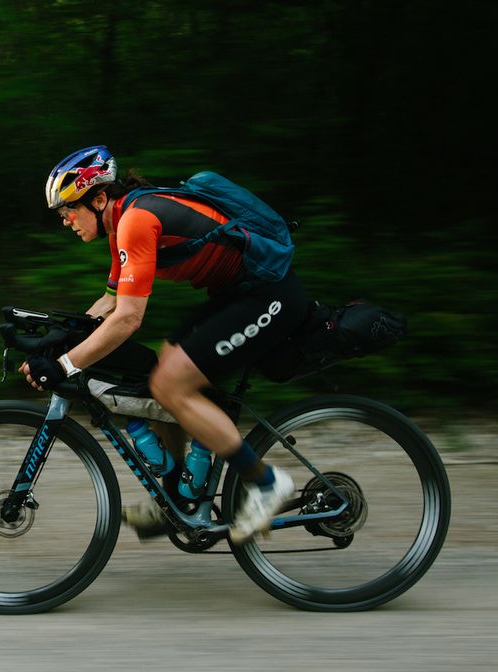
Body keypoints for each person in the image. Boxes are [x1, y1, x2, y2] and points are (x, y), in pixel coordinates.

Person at [19, 146, 308, 544]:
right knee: (159, 374)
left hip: (268, 295)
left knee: (169, 383)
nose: (65, 220)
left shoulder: (136, 221)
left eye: (68, 209)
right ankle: (179, 498)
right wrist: (63, 336)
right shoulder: (123, 221)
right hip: (235, 296)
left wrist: (66, 364)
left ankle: (266, 482)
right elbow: (110, 303)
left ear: (99, 198)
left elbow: (128, 319)